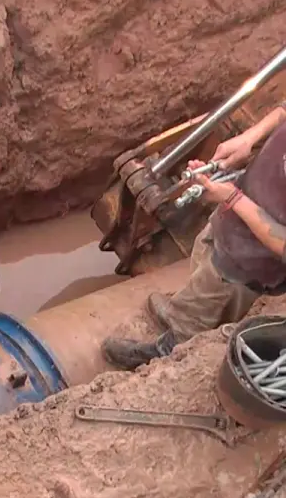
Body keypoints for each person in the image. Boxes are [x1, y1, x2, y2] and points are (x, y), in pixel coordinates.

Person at [102, 102, 286, 370]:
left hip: (248, 261)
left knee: (207, 300)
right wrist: (249, 138)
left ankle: (166, 350)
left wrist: (233, 197)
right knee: (204, 256)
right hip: (233, 217)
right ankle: (180, 308)